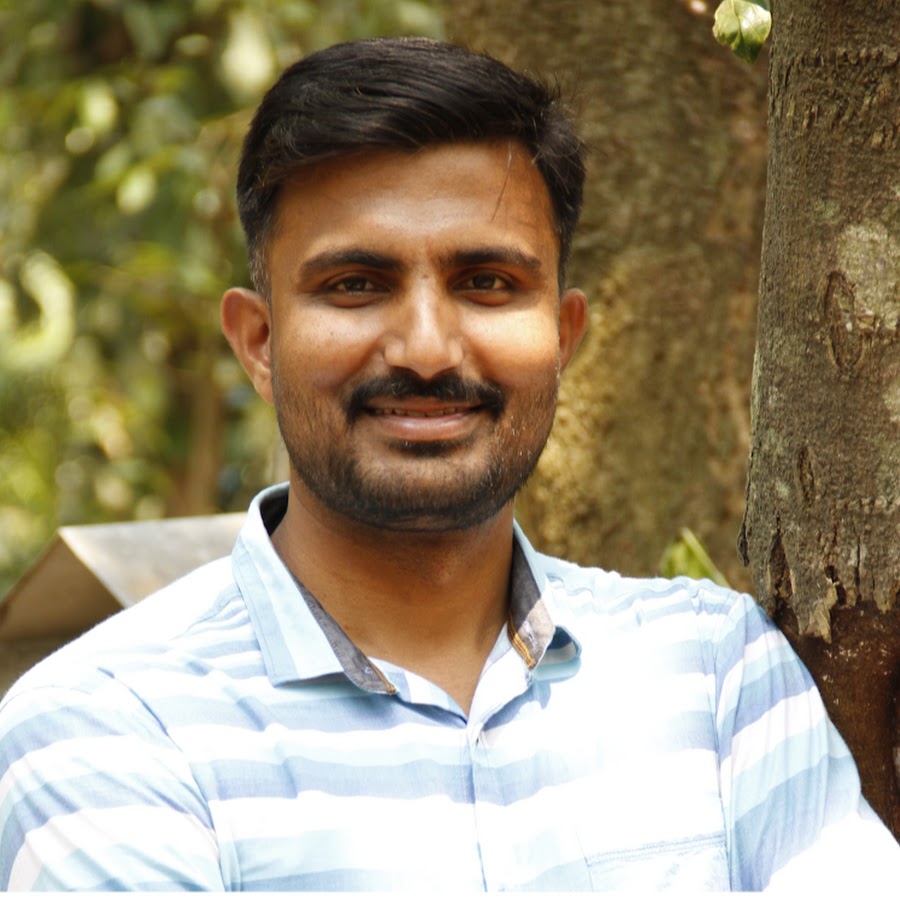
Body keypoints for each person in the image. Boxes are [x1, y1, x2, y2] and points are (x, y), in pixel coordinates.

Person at [0, 37, 897, 892]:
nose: (426, 349)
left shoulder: (713, 673)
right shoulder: (106, 727)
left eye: (487, 283)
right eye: (356, 285)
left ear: (563, 336)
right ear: (260, 342)